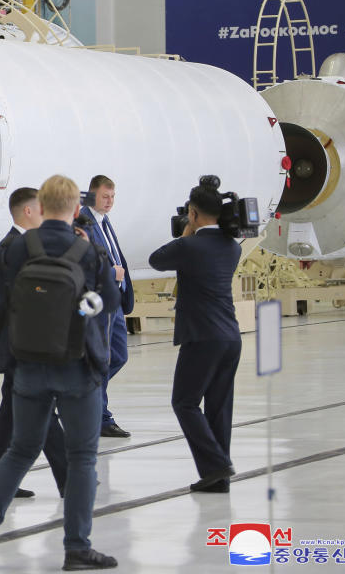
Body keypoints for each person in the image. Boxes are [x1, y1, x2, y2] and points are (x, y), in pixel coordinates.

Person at [0, 175, 120, 571]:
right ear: (75, 208)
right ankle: (77, 548)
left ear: (43, 207)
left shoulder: (16, 248)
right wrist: (78, 312)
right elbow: (110, 301)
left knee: (19, 451)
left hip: (27, 364)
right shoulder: (89, 249)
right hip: (77, 367)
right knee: (82, 457)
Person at [149, 181, 241, 494]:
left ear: (193, 212)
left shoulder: (189, 246)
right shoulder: (233, 246)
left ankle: (216, 465)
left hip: (202, 336)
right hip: (230, 336)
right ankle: (218, 479)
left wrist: (187, 231)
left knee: (185, 402)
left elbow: (156, 259)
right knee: (219, 406)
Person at [0, 188, 68, 499]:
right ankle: (69, 479)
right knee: (43, 412)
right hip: (23, 346)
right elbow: (9, 298)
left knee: (11, 414)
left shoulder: (23, 245)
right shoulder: (13, 247)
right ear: (29, 212)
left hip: (23, 346)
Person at [80, 176, 134, 438]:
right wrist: (111, 273)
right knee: (102, 360)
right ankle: (100, 416)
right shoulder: (84, 222)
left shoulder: (104, 221)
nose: (110, 201)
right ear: (91, 196)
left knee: (119, 356)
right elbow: (84, 262)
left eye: (112, 196)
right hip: (100, 301)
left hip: (115, 302)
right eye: (104, 196)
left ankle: (86, 397)